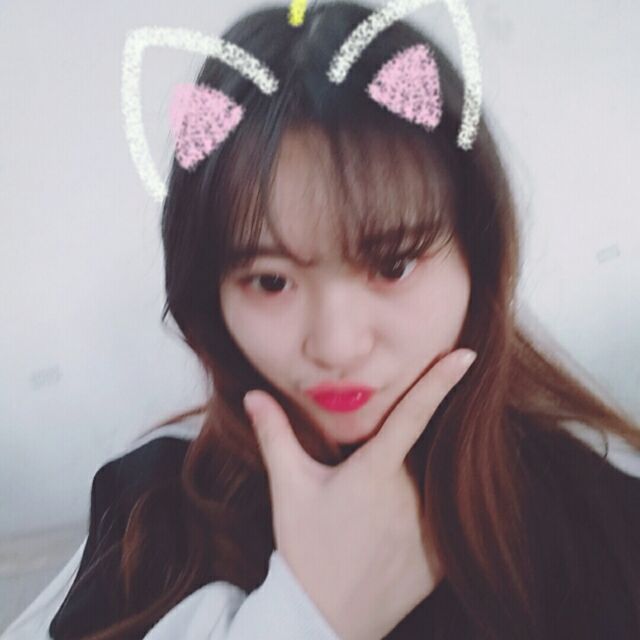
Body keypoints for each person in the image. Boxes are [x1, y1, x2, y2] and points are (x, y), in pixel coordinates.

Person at [4, 1, 640, 639]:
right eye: (270, 281)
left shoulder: (602, 522)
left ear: (479, 256)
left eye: (393, 265)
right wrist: (304, 617)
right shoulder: (147, 514)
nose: (337, 346)